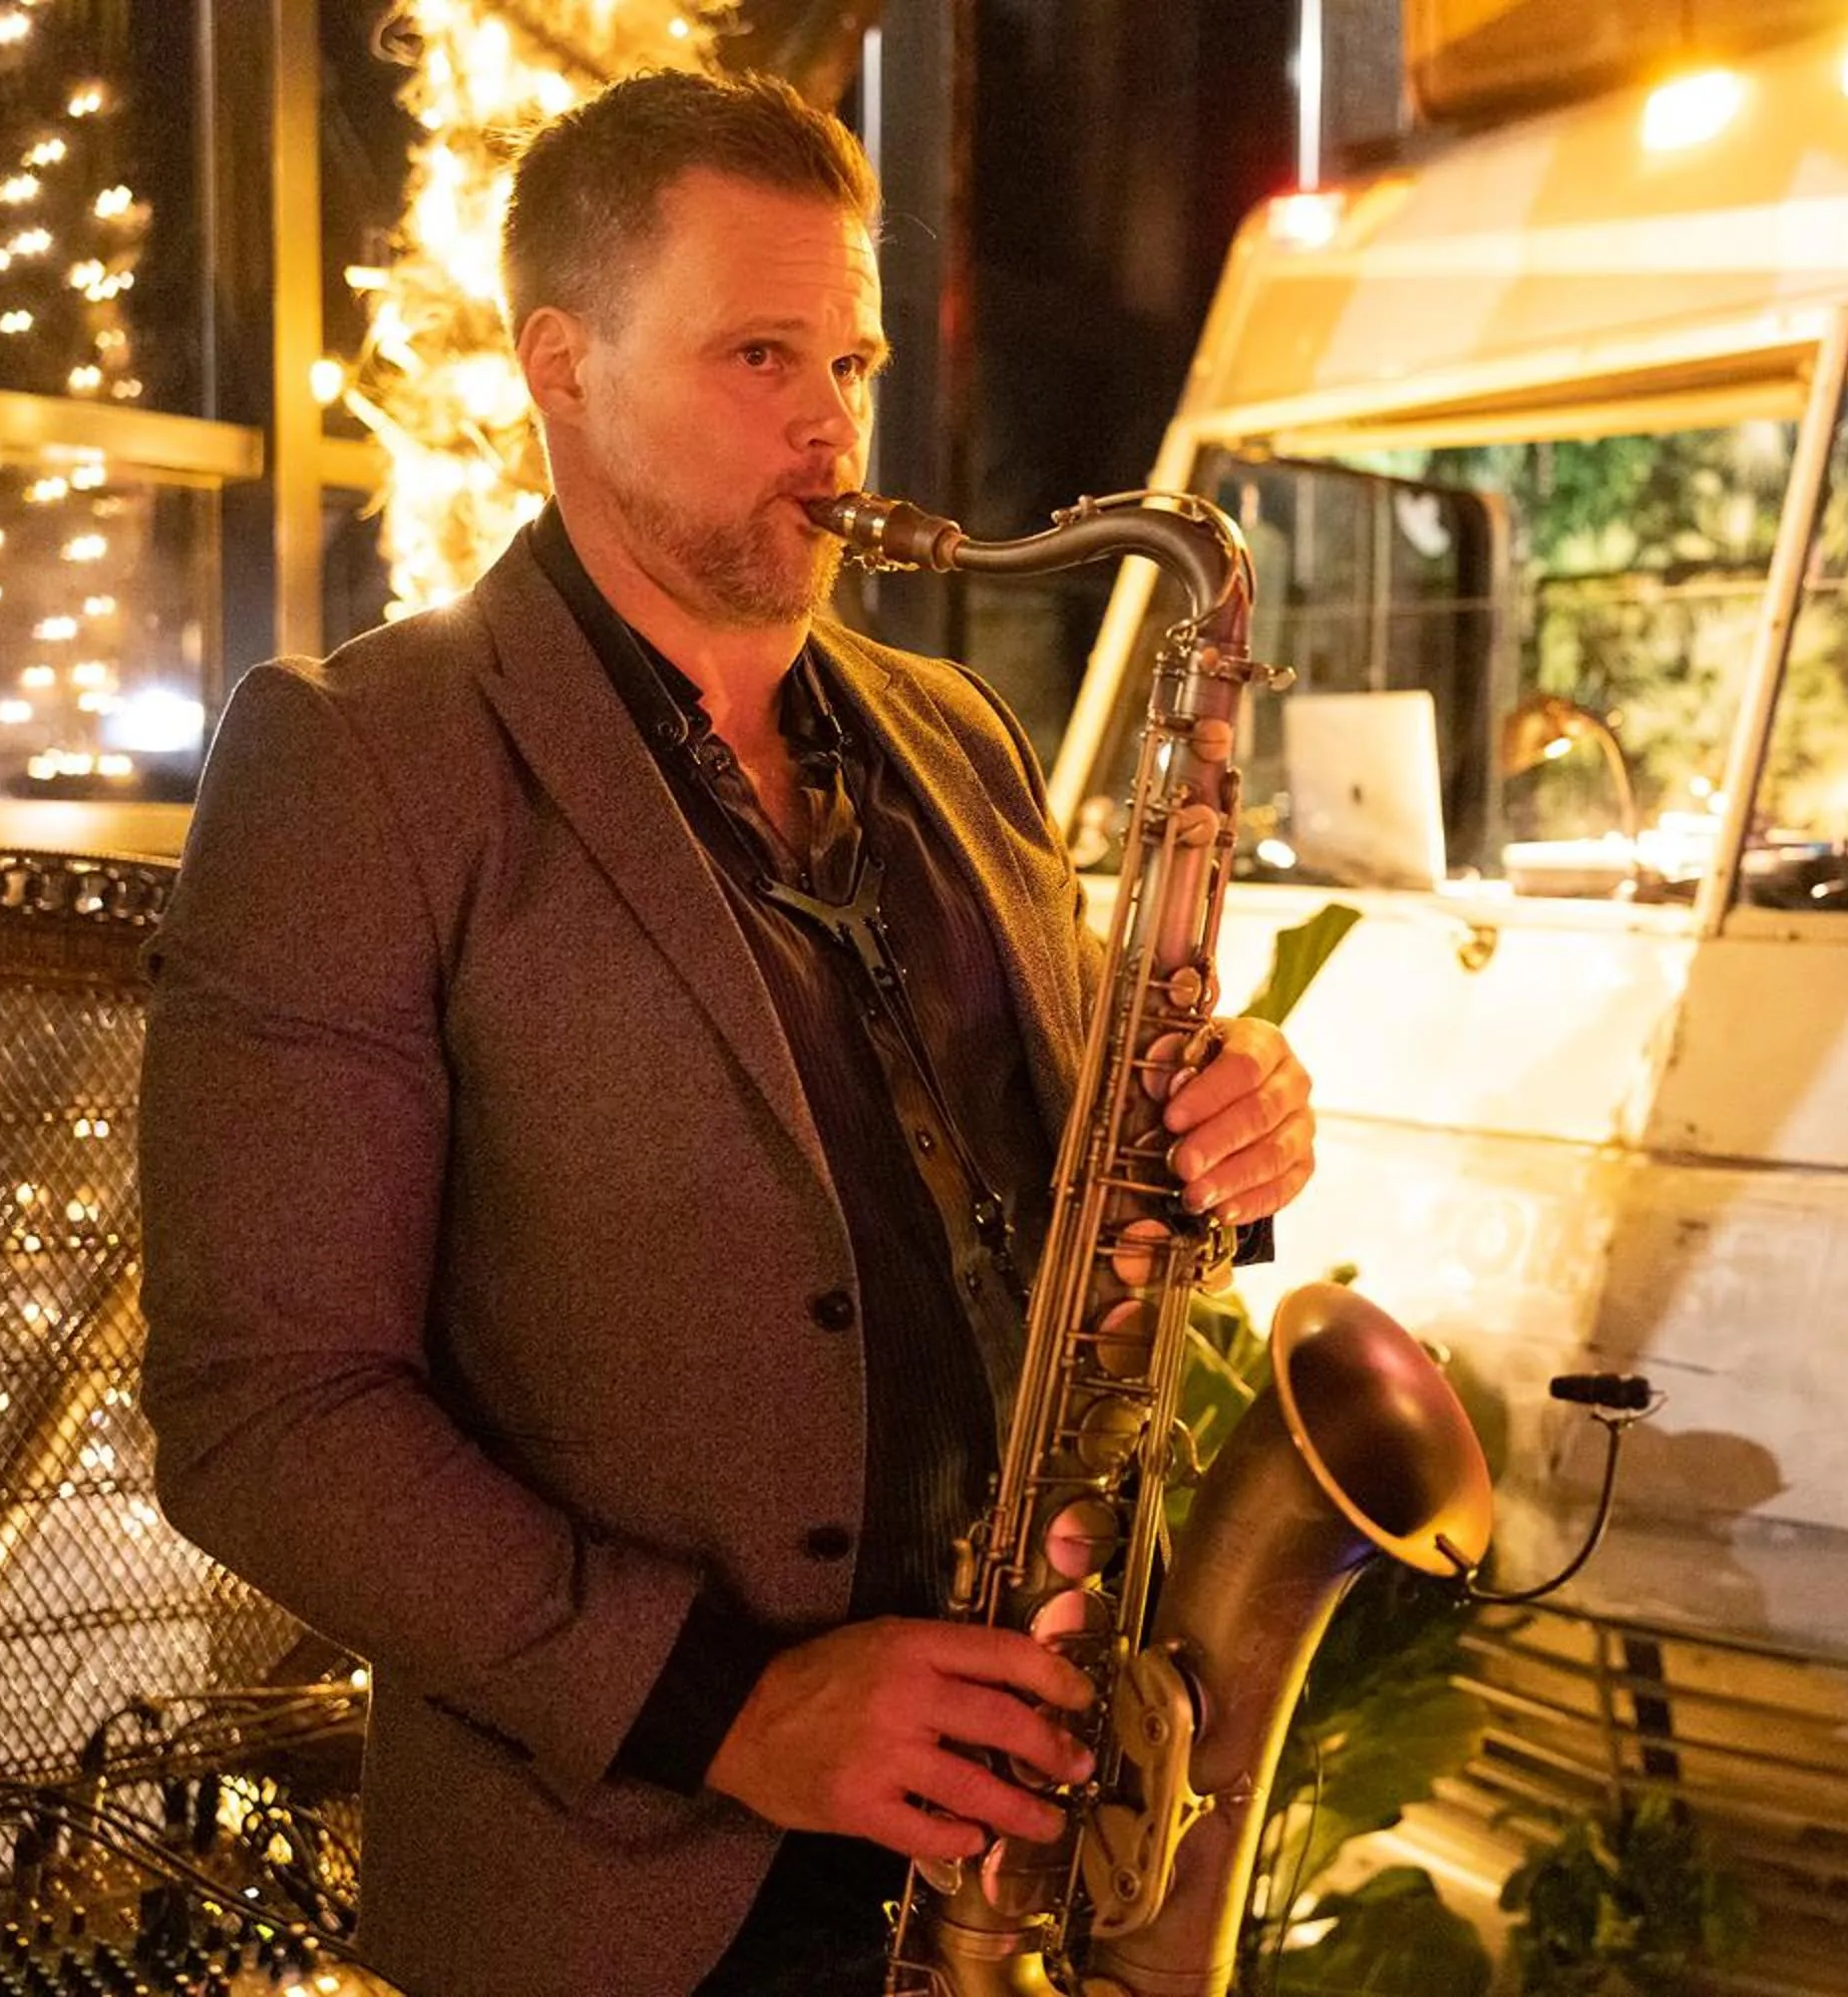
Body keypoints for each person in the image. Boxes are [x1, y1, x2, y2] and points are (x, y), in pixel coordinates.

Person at [137, 71, 1316, 1997]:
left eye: (846, 357)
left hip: (1017, 1836)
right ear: (560, 364)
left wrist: (1227, 1130)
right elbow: (264, 1413)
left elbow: (1085, 1147)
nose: (833, 422)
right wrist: (735, 1709)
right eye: (759, 354)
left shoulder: (953, 734)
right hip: (631, 1897)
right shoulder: (363, 759)